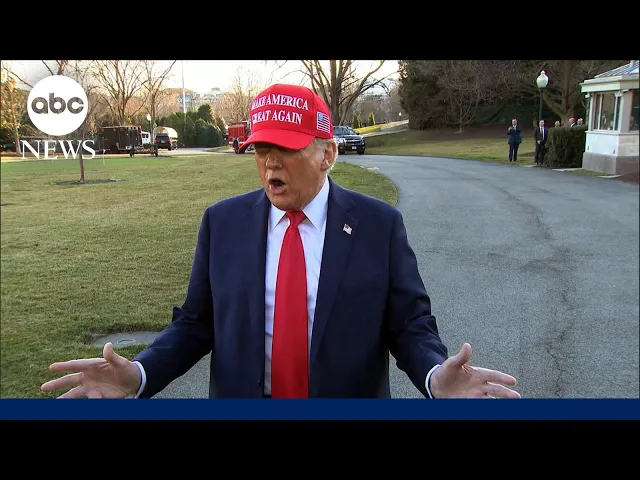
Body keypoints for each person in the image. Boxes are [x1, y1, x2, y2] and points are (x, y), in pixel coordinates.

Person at [41, 83, 521, 400]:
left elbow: (410, 327)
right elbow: (195, 325)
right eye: (262, 149)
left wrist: (436, 377)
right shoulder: (222, 223)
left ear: (327, 154)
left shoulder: (379, 225)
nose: (270, 163)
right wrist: (139, 373)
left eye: (286, 150)